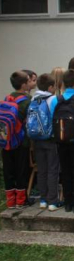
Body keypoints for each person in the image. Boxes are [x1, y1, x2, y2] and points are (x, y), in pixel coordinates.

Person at [50, 69, 74, 213]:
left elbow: (52, 120)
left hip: (60, 140)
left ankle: (67, 202)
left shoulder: (56, 100)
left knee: (65, 170)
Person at [31, 74, 62, 211]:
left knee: (42, 170)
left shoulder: (34, 98)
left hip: (37, 139)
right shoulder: (53, 99)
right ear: (50, 87)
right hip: (50, 139)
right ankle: (52, 201)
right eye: (54, 86)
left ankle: (43, 199)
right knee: (53, 169)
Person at [2, 71, 31, 208]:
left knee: (8, 171)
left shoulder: (7, 98)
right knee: (21, 170)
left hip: (6, 139)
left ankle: (10, 201)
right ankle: (21, 201)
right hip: (21, 140)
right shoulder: (26, 100)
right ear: (24, 84)